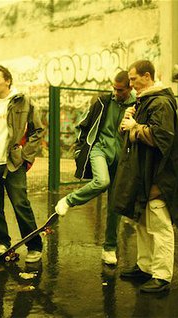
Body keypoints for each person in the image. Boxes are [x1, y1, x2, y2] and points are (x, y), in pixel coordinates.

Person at [115, 60, 178, 292]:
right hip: (143, 175)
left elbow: (163, 138)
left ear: (147, 76)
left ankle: (162, 276)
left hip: (157, 176)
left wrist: (135, 127)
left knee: (159, 225)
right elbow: (131, 137)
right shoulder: (145, 100)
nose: (130, 83)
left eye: (133, 78)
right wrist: (127, 125)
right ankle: (145, 266)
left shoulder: (160, 102)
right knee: (142, 222)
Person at [55, 71, 136, 265]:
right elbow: (83, 124)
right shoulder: (102, 101)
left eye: (120, 90)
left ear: (130, 88)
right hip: (99, 149)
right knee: (102, 181)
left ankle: (109, 248)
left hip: (122, 158)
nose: (116, 93)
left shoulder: (137, 105)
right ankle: (69, 200)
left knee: (115, 205)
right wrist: (79, 148)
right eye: (114, 89)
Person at [0, 65, 44, 263]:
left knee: (21, 204)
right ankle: (1, 242)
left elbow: (38, 130)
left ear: (8, 81)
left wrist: (25, 155)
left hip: (13, 162)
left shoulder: (23, 101)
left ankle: (34, 245)